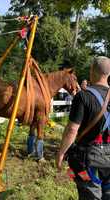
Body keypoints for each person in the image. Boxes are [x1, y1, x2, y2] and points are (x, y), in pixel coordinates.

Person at [56, 56, 110, 200]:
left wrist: (62, 153)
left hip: (88, 159)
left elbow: (72, 129)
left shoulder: (83, 96)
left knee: (90, 195)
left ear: (92, 71)